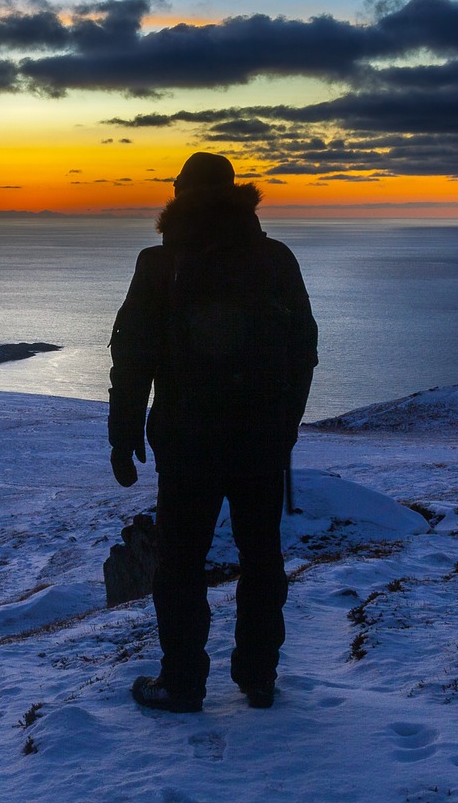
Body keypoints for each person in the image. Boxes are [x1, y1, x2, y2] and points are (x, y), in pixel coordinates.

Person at [108, 151, 317, 712]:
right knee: (261, 558)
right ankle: (258, 677)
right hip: (259, 443)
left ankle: (182, 683)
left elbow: (133, 357)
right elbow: (304, 353)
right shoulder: (276, 259)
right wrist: (285, 427)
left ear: (180, 195)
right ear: (237, 196)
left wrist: (123, 432)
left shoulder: (159, 264)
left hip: (187, 442)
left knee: (181, 564)